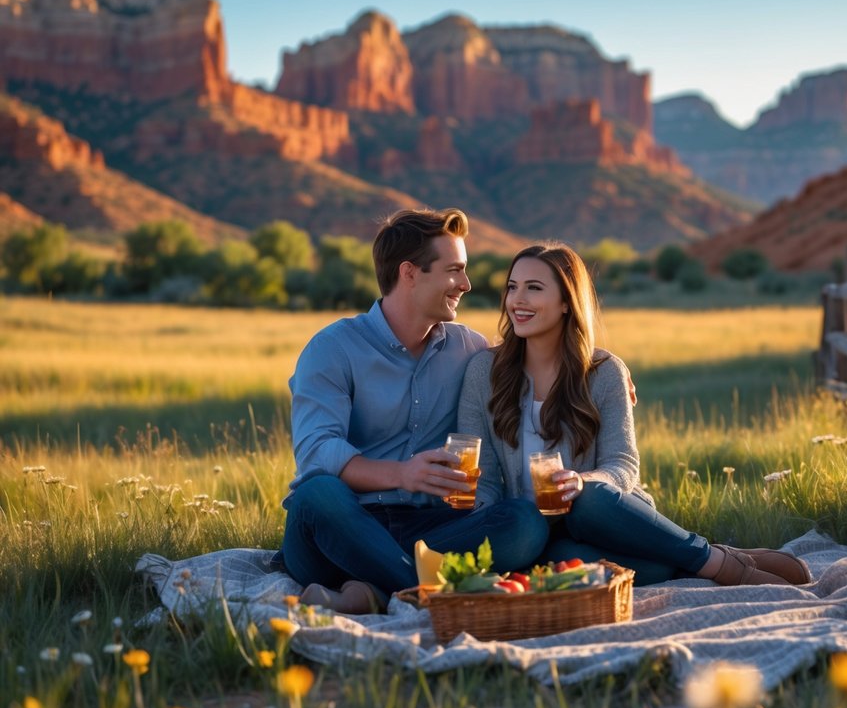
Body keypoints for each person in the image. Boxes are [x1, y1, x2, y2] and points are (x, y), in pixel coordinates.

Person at [457, 242, 812, 587]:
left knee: (591, 497)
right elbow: (483, 480)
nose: (517, 300)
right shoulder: (484, 372)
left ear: (567, 302)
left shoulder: (604, 371)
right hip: (539, 534)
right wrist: (488, 530)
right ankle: (714, 555)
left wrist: (584, 481)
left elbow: (623, 465)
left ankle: (721, 566)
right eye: (512, 287)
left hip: (603, 518)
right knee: (645, 567)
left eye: (533, 288)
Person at [279, 208, 548, 613]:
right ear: (409, 273)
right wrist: (403, 474)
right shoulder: (332, 348)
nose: (466, 284)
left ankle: (371, 592)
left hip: (433, 529)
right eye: (454, 270)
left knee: (523, 522)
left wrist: (600, 368)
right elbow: (317, 451)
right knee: (317, 494)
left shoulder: (469, 348)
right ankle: (431, 594)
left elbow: (539, 357)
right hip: (345, 528)